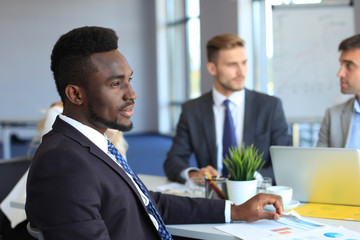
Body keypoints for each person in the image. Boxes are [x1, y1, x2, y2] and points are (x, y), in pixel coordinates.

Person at [25, 26, 283, 239]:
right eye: (116, 84)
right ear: (76, 94)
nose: (132, 94)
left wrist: (235, 211)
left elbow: (147, 201)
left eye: (129, 80)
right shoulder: (63, 162)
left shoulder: (91, 145)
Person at [163, 34, 291, 184]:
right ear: (212, 68)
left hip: (255, 195)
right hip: (212, 197)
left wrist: (250, 179)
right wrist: (195, 174)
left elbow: (285, 164)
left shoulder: (270, 107)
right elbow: (173, 161)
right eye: (232, 65)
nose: (241, 71)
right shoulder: (192, 110)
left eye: (244, 63)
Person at [317, 34, 360, 149]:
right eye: (341, 65)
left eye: (349, 66)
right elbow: (319, 163)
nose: (340, 73)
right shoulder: (332, 115)